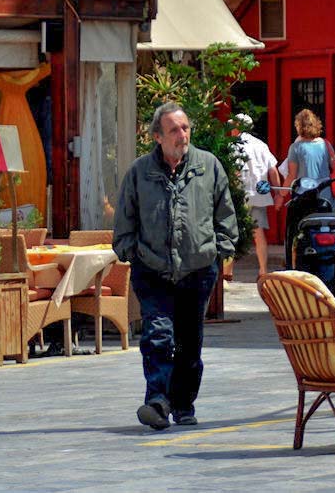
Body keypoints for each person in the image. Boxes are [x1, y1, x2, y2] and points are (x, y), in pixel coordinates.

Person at [113, 102, 238, 431]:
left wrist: (219, 251)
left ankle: (183, 403)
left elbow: (225, 213)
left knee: (188, 342)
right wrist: (131, 252)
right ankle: (157, 400)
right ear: (157, 136)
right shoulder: (139, 173)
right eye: (173, 130)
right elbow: (124, 221)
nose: (182, 135)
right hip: (152, 270)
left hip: (197, 270)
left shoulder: (208, 166)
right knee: (158, 336)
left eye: (185, 128)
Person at [232, 113, 280, 277]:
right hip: (259, 195)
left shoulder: (235, 145)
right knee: (259, 233)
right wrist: (278, 193)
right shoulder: (261, 145)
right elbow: (273, 170)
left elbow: (235, 172)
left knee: (231, 233)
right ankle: (263, 269)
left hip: (240, 195)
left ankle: (227, 272)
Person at [282, 109, 335, 212]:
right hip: (326, 198)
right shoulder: (326, 144)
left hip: (305, 197)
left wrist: (281, 194)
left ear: (299, 127)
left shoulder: (295, 147)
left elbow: (291, 175)